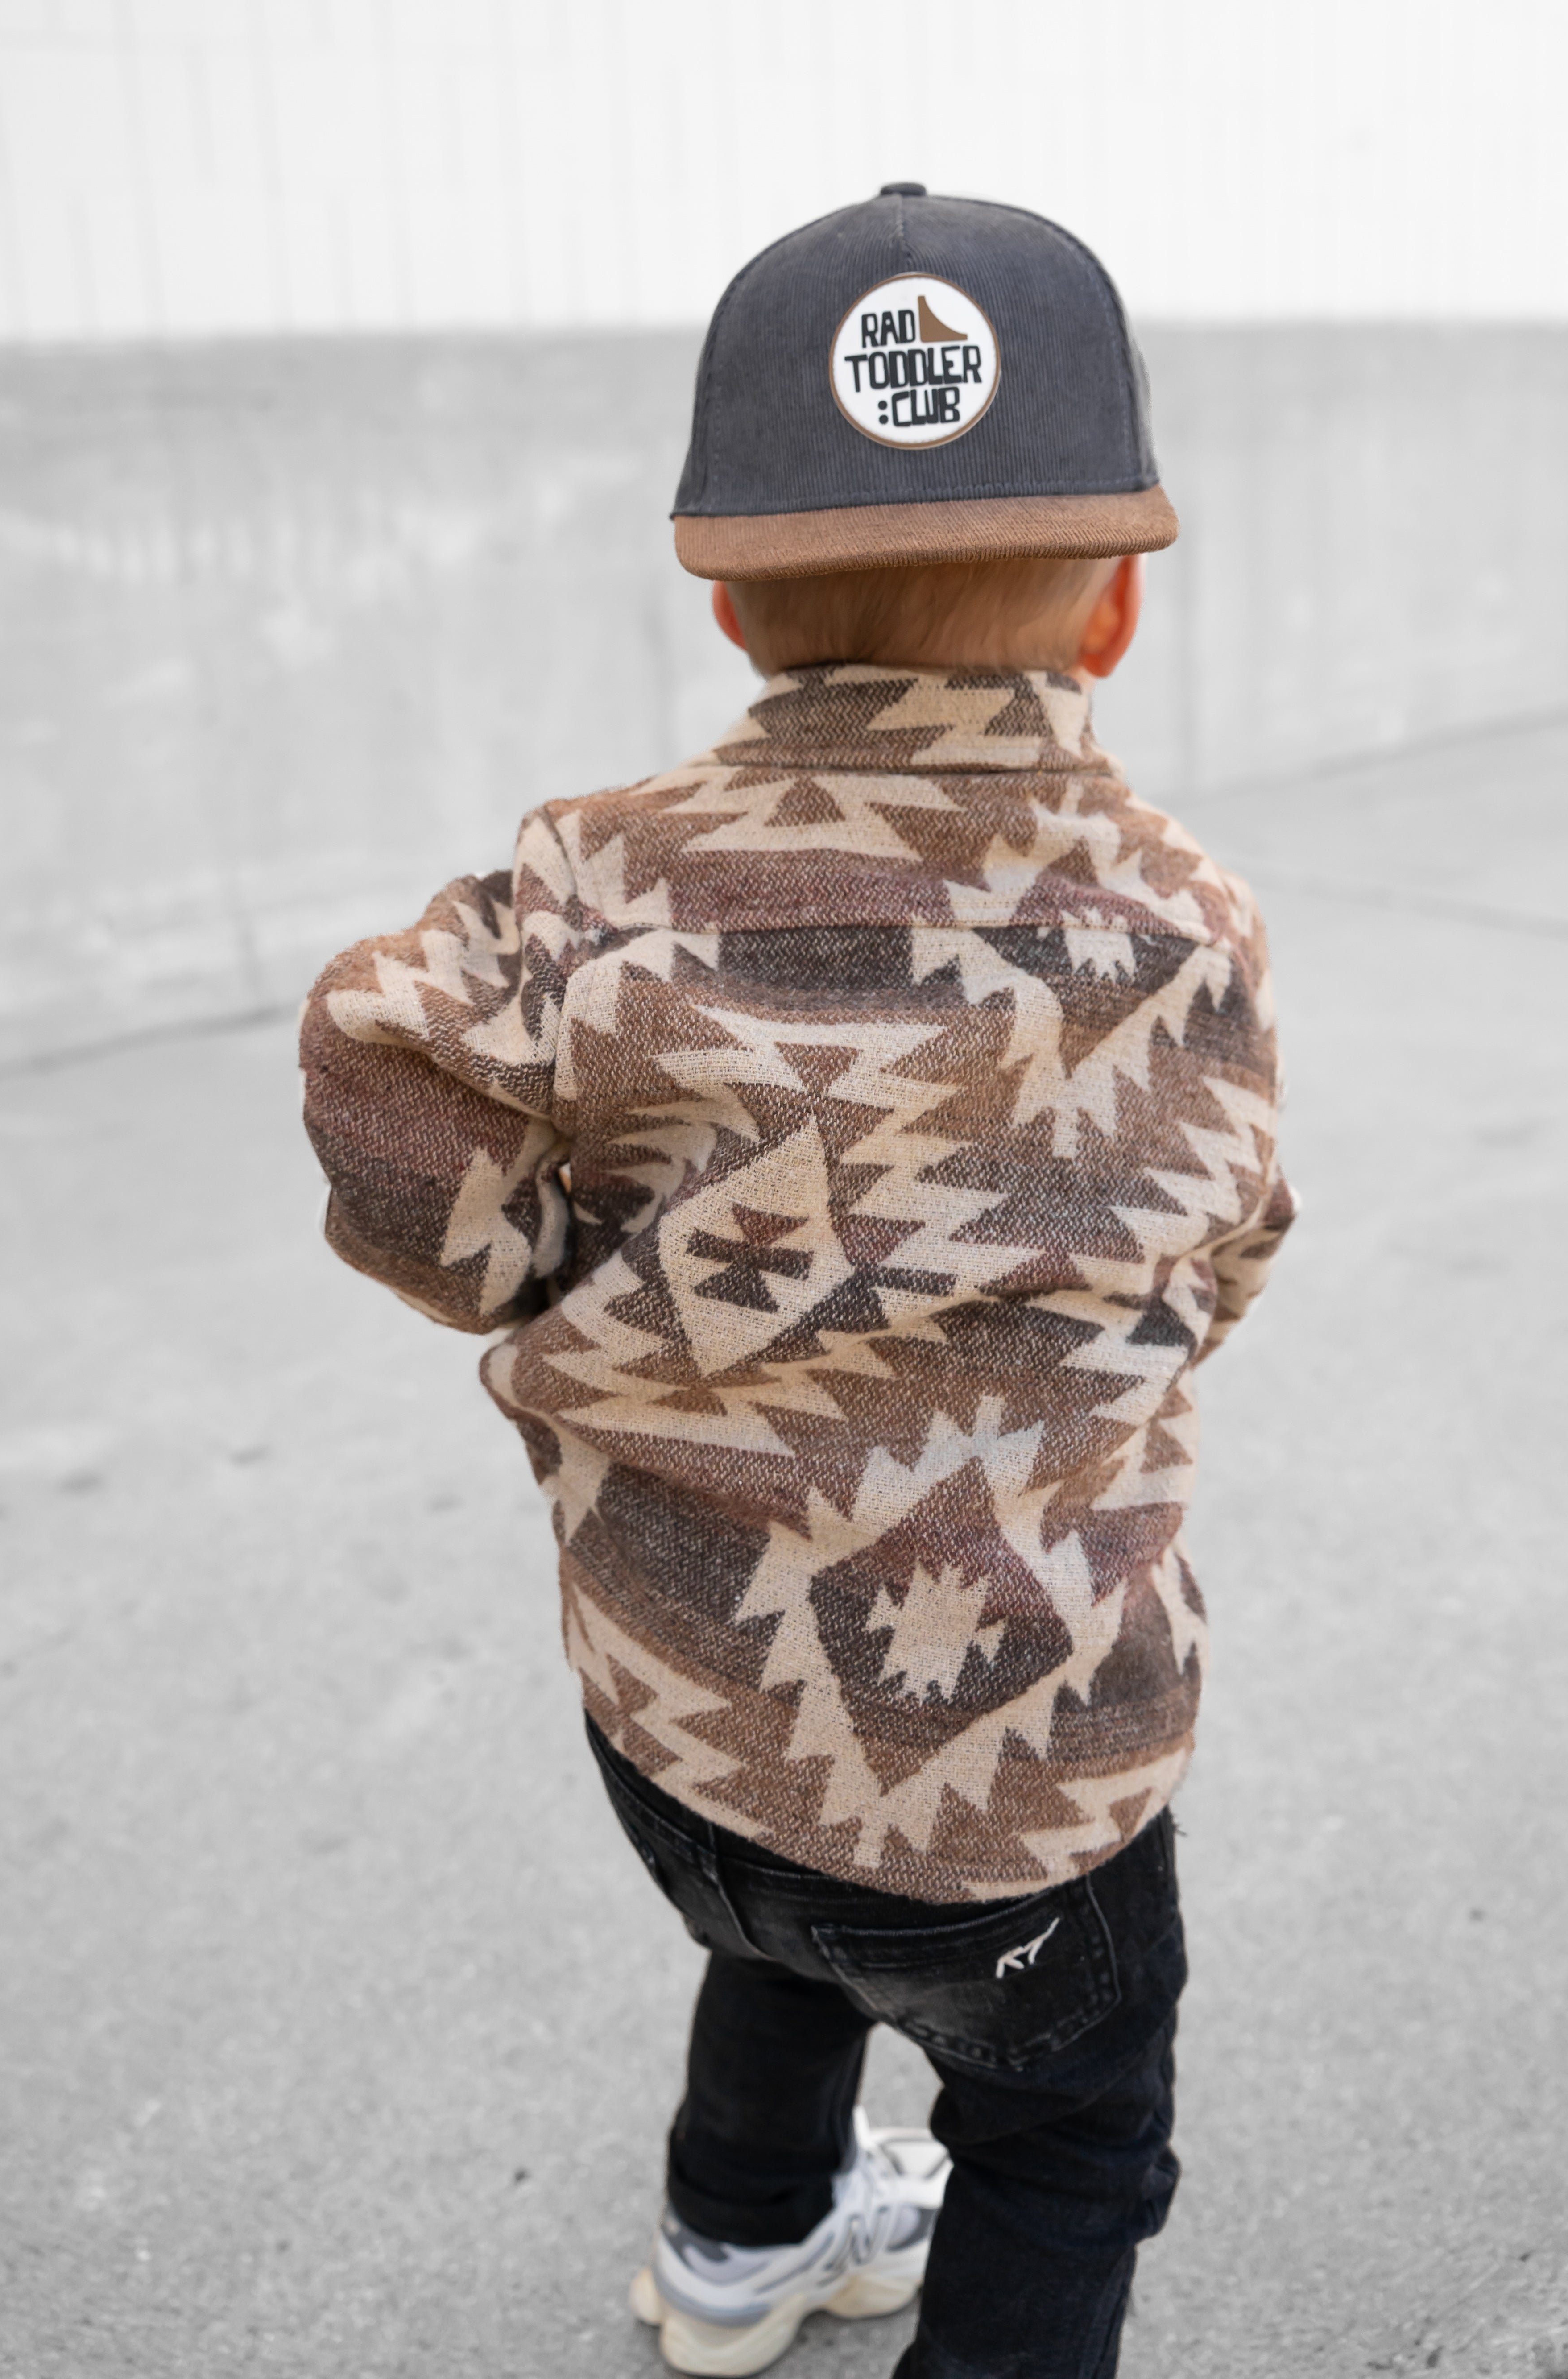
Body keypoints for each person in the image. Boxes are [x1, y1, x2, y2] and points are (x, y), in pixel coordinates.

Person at [299, 186, 1295, 2379]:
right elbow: (1216, 1249)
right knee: (1065, 2145)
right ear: (1116, 609)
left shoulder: (594, 878)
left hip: (687, 1711)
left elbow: (383, 1077)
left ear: (734, 602)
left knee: (790, 1907)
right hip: (1023, 1766)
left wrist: (550, 1279)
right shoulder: (1182, 923)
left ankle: (739, 2246)